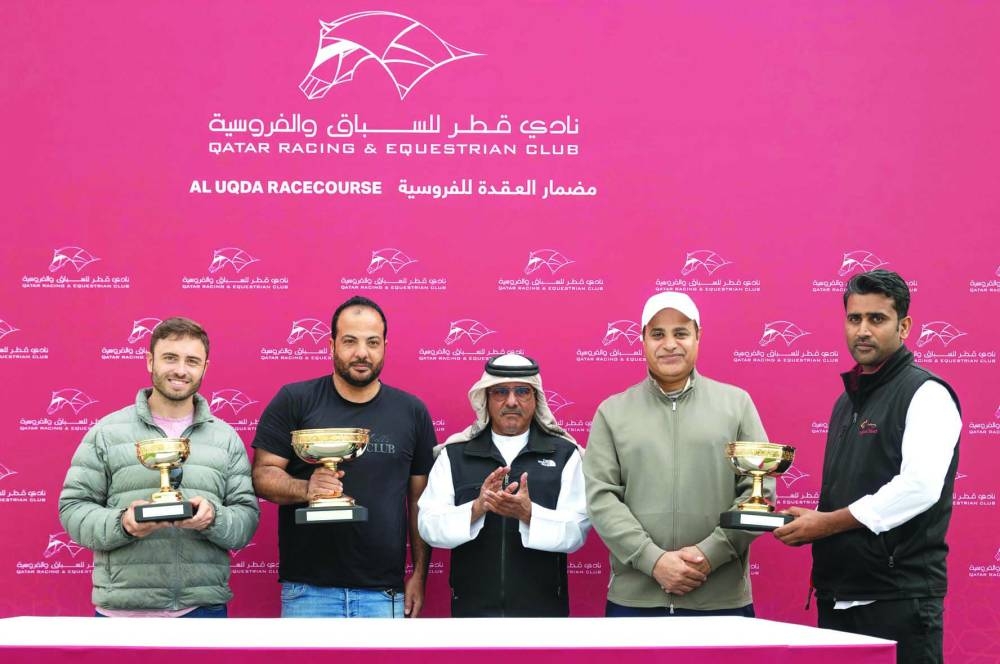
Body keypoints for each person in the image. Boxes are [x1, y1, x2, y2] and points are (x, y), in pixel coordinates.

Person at [774, 270, 961, 664]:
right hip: (838, 597)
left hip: (899, 602)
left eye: (877, 319)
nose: (863, 330)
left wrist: (826, 524)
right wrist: (818, 520)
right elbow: (855, 494)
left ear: (904, 326)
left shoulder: (926, 394)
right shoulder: (847, 402)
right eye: (854, 318)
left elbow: (920, 487)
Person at [583, 292, 770, 616]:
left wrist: (709, 554)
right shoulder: (612, 412)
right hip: (635, 602)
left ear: (698, 336)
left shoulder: (737, 405)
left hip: (720, 600)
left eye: (681, 333)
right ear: (642, 340)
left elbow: (759, 493)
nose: (670, 344)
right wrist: (652, 560)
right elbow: (602, 499)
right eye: (657, 334)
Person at [59, 316, 260, 617]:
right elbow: (73, 509)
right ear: (150, 361)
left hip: (201, 611)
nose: (180, 370)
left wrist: (213, 518)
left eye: (192, 361)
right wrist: (123, 523)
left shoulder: (225, 438)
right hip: (121, 614)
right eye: (170, 358)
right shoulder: (107, 433)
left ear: (205, 368)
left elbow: (246, 518)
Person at [252, 296, 435, 618]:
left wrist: (419, 574)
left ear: (385, 346)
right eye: (350, 341)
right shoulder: (294, 400)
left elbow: (419, 500)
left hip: (384, 593)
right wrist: (306, 489)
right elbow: (263, 475)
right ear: (331, 344)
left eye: (372, 342)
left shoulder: (412, 411)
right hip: (307, 592)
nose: (362, 353)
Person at [418, 353, 589, 617]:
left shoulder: (565, 455)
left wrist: (528, 514)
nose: (511, 401)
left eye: (522, 391)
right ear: (485, 398)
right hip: (471, 614)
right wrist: (476, 508)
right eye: (500, 392)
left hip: (545, 616)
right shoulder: (454, 455)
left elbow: (577, 533)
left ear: (536, 399)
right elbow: (428, 525)